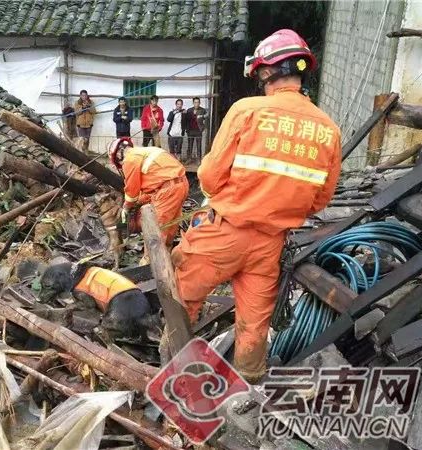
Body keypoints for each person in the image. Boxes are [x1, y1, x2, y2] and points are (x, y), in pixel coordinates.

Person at [172, 29, 342, 383]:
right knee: (253, 324)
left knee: (183, 299)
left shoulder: (247, 111)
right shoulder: (328, 129)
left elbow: (209, 177)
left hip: (223, 232)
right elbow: (320, 200)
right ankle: (248, 386)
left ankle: (172, 371)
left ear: (266, 72)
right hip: (271, 244)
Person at [109, 137, 188, 265]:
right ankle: (167, 259)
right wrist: (140, 200)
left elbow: (132, 192)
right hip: (181, 184)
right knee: (169, 227)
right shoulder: (146, 152)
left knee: (154, 231)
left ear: (118, 154)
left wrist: (126, 207)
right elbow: (153, 187)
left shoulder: (130, 160)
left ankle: (149, 265)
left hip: (167, 190)